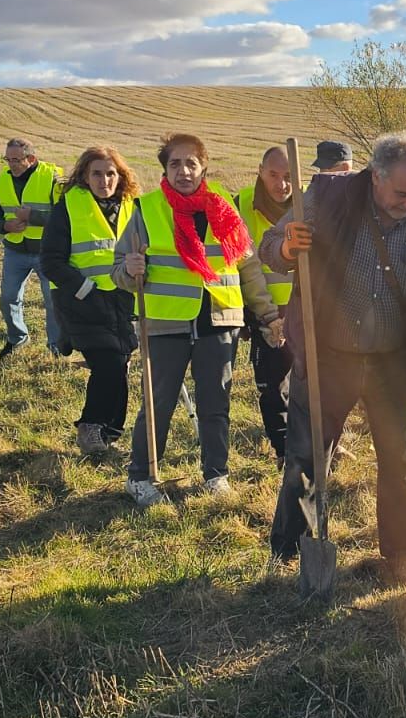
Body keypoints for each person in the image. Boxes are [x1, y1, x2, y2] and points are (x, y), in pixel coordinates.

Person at [260, 131, 406, 579]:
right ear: (376, 175)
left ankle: (401, 554)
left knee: (400, 461)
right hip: (328, 356)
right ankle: (289, 550)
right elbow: (269, 246)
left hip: (392, 362)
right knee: (306, 457)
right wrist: (288, 247)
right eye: (403, 193)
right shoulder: (327, 196)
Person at [112, 133, 281, 506]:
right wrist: (129, 267)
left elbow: (249, 266)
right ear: (165, 169)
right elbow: (118, 271)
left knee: (215, 404)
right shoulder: (147, 209)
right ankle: (140, 476)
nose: (184, 171)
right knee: (157, 403)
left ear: (204, 166)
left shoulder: (225, 208)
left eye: (191, 163)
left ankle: (216, 476)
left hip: (220, 319)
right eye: (175, 164)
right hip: (164, 323)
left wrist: (267, 313)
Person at [40, 146, 140, 453]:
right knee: (108, 363)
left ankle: (109, 432)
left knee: (119, 363)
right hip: (82, 301)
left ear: (121, 176)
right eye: (97, 173)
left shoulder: (133, 207)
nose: (104, 180)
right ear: (85, 175)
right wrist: (85, 290)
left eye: (111, 173)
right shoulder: (67, 207)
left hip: (124, 300)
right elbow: (51, 262)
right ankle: (90, 427)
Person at [234, 146, 296, 465]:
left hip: (304, 309)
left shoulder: (307, 205)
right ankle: (284, 450)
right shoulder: (241, 204)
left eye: (288, 177)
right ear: (260, 170)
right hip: (265, 312)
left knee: (317, 383)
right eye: (274, 175)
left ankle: (324, 443)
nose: (281, 184)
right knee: (273, 387)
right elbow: (247, 265)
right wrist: (267, 316)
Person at [0, 137, 63, 357]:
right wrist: (5, 225)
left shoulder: (52, 178)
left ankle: (56, 345)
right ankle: (17, 338)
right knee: (8, 298)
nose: (11, 164)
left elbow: (65, 216)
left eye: (17, 160)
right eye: (8, 159)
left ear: (31, 158)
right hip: (15, 250)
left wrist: (33, 217)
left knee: (53, 301)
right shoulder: (1, 179)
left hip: (48, 251)